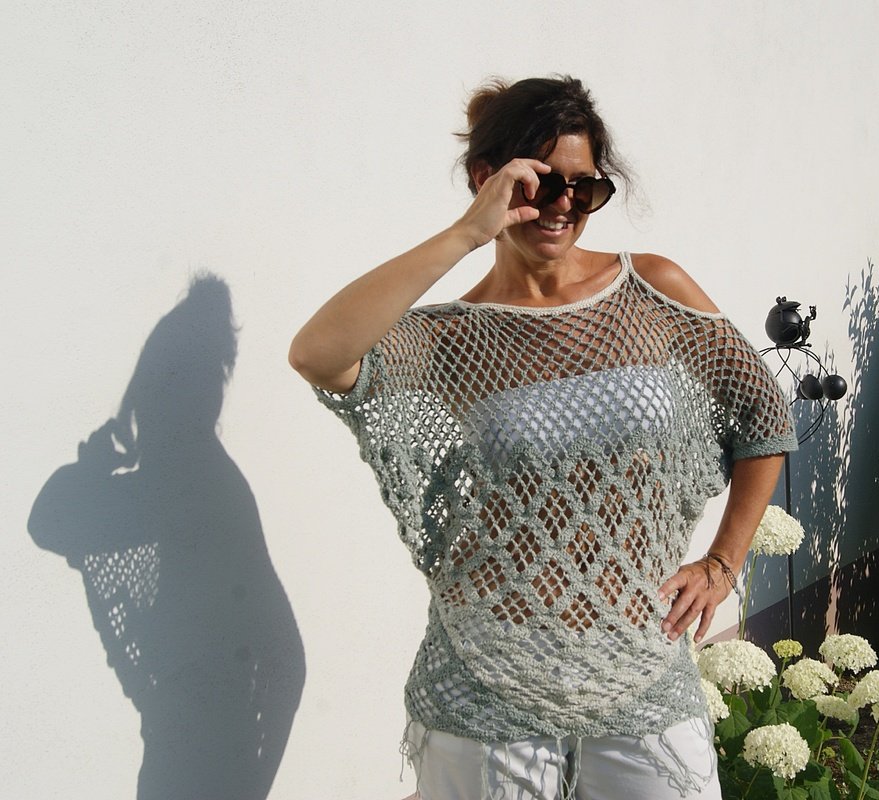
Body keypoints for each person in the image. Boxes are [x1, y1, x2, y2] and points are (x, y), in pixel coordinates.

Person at [289, 75, 795, 800]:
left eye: (584, 189)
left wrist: (722, 561)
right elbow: (318, 354)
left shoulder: (652, 290)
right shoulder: (450, 340)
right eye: (542, 184)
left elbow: (761, 415)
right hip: (487, 667)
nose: (562, 206)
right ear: (486, 179)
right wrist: (466, 234)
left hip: (641, 657)